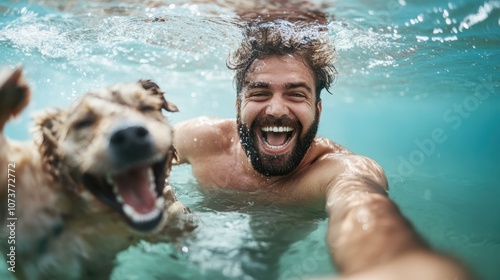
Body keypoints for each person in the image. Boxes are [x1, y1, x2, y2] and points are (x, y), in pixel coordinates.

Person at [173, 20, 470, 279]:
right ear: (238, 106)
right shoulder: (203, 139)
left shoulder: (334, 170)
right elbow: (136, 154)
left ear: (317, 109)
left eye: (296, 94)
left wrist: (402, 266)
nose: (276, 109)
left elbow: (360, 206)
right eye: (260, 93)